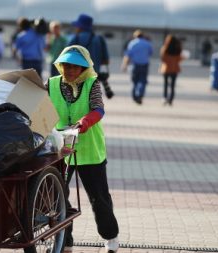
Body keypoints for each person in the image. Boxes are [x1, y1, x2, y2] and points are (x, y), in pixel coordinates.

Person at [46, 45, 119, 253]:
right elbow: (38, 106)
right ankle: (65, 240)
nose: (69, 70)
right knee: (58, 196)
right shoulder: (50, 84)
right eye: (66, 65)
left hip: (89, 149)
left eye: (75, 67)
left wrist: (84, 122)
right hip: (60, 149)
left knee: (99, 198)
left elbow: (98, 109)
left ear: (84, 69)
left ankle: (110, 238)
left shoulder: (92, 83)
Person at [68, 13, 114, 99]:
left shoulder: (76, 38)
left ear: (80, 27)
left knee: (77, 99)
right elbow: (106, 61)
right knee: (90, 98)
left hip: (77, 75)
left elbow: (66, 57)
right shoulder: (99, 39)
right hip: (93, 75)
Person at [121, 29, 153, 105]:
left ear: (135, 36)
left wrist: (124, 65)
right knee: (142, 81)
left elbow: (127, 55)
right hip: (144, 65)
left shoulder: (132, 43)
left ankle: (135, 96)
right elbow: (150, 53)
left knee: (134, 81)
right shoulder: (147, 43)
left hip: (134, 65)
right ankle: (140, 95)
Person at [159, 34, 183, 106]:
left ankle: (165, 97)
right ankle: (171, 99)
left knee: (165, 84)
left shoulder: (165, 48)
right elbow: (179, 59)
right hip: (174, 68)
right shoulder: (178, 48)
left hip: (166, 68)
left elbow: (162, 58)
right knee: (172, 85)